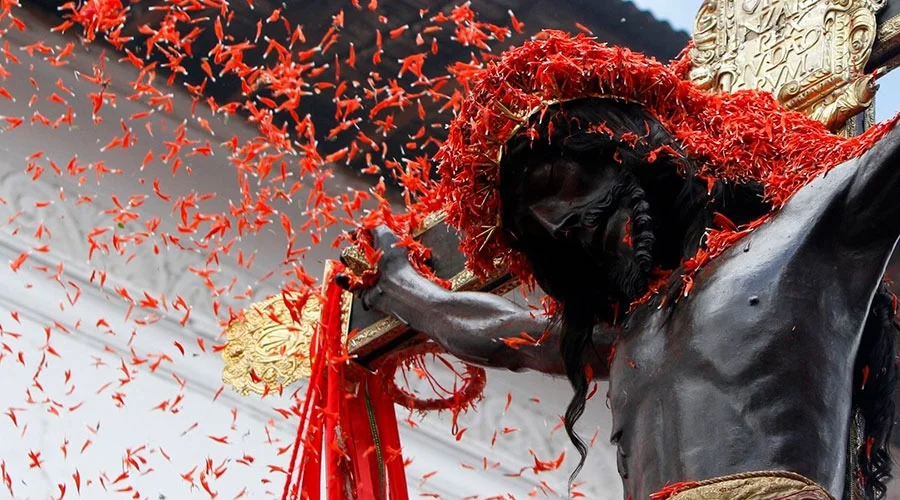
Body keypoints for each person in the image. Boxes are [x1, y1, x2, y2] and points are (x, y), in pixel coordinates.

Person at [341, 33, 900, 499]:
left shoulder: (807, 234)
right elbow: (504, 337)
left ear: (627, 149)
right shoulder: (633, 334)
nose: (562, 225)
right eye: (542, 229)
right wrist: (401, 287)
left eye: (560, 187)